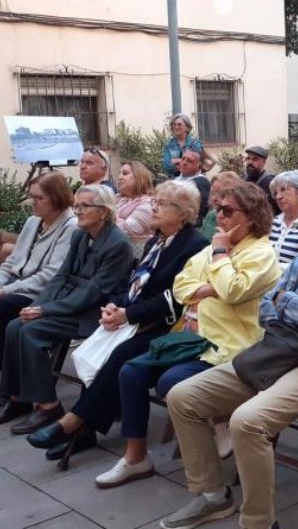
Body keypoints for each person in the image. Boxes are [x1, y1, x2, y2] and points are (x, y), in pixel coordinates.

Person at [160, 190, 298, 529]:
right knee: (182, 397)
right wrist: (297, 311)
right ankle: (213, 496)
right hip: (275, 354)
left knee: (247, 421)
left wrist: (287, 303)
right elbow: (266, 311)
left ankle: (258, 523)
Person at [92, 182, 281, 489]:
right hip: (190, 337)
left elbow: (234, 291)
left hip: (229, 345)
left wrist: (219, 258)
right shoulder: (212, 247)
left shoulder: (260, 253)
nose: (219, 216)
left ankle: (212, 462)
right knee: (131, 372)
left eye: (228, 211)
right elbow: (181, 287)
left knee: (171, 381)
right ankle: (136, 456)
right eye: (217, 209)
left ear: (251, 216)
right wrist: (211, 284)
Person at [25, 181, 209, 461]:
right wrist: (116, 305)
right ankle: (82, 432)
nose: (153, 208)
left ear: (184, 212)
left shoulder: (195, 246)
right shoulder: (156, 241)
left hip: (170, 326)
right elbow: (138, 286)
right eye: (154, 202)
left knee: (121, 352)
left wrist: (128, 314)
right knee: (101, 340)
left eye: (161, 204)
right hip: (139, 318)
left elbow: (174, 299)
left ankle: (73, 423)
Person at [0, 185, 135, 433]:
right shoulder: (80, 235)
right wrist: (37, 305)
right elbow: (61, 276)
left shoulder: (117, 243)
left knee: (29, 332)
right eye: (77, 206)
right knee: (16, 325)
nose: (78, 211)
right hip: (71, 302)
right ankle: (17, 398)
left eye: (85, 206)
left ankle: (49, 406)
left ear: (104, 212)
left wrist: (46, 311)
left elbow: (94, 293)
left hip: (95, 313)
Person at [0, 172, 77, 413]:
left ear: (56, 198)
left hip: (41, 294)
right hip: (17, 286)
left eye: (39, 198)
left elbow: (50, 276)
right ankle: (0, 381)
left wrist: (3, 291)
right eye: (32, 197)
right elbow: (11, 263)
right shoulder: (32, 222)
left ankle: (4, 385)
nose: (33, 202)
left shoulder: (70, 226)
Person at [268, 171, 298, 270]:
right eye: (275, 193)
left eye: (283, 190)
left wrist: (268, 269)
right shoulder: (273, 222)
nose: (278, 197)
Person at [162, 113, 213, 178]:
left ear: (187, 127)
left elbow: (195, 165)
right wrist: (185, 162)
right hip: (174, 181)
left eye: (179, 124)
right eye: (174, 125)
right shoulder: (169, 145)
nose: (176, 127)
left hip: (193, 180)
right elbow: (167, 167)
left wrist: (176, 161)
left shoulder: (194, 144)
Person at [115, 161, 154, 238]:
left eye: (125, 173)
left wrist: (109, 218)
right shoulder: (117, 198)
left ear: (139, 177)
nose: (120, 177)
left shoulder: (149, 203)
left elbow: (128, 230)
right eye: (119, 174)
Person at [200, 171, 241, 241]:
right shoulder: (211, 215)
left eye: (219, 193)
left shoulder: (236, 218)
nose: (214, 198)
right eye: (212, 193)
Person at [175, 149, 211, 226]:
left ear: (199, 165)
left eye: (190, 161)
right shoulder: (174, 179)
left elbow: (196, 213)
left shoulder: (201, 183)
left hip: (188, 226)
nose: (184, 163)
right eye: (183, 159)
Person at [243, 146, 278, 214]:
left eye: (255, 159)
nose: (250, 162)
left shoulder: (270, 182)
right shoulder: (244, 180)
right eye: (248, 158)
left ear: (264, 162)